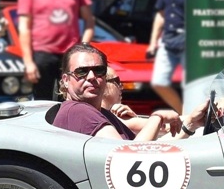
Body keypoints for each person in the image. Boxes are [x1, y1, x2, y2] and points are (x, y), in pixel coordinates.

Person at [52, 45, 196, 141]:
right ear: (65, 80)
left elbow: (149, 149)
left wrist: (191, 125)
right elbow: (126, 155)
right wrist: (157, 117)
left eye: (99, 71)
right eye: (81, 72)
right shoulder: (79, 111)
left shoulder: (101, 113)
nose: (91, 77)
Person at [17, 0, 95, 101]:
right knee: (42, 103)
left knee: (71, 100)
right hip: (43, 54)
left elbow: (89, 19)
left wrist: (84, 46)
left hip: (70, 54)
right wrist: (28, 62)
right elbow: (24, 27)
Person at [146, 0, 188, 113]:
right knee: (159, 82)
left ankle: (196, 122)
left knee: (191, 87)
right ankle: (183, 114)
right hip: (168, 39)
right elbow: (161, 14)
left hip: (189, 42)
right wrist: (152, 43)